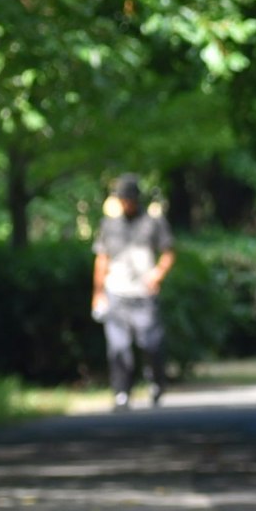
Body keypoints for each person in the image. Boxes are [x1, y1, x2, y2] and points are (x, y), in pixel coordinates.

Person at [91, 174, 176, 408]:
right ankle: (122, 392)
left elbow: (168, 252)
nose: (125, 203)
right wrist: (98, 293)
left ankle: (157, 382)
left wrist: (157, 273)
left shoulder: (153, 222)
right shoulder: (108, 225)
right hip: (116, 292)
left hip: (143, 294)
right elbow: (101, 259)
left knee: (151, 343)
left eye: (128, 198)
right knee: (118, 347)